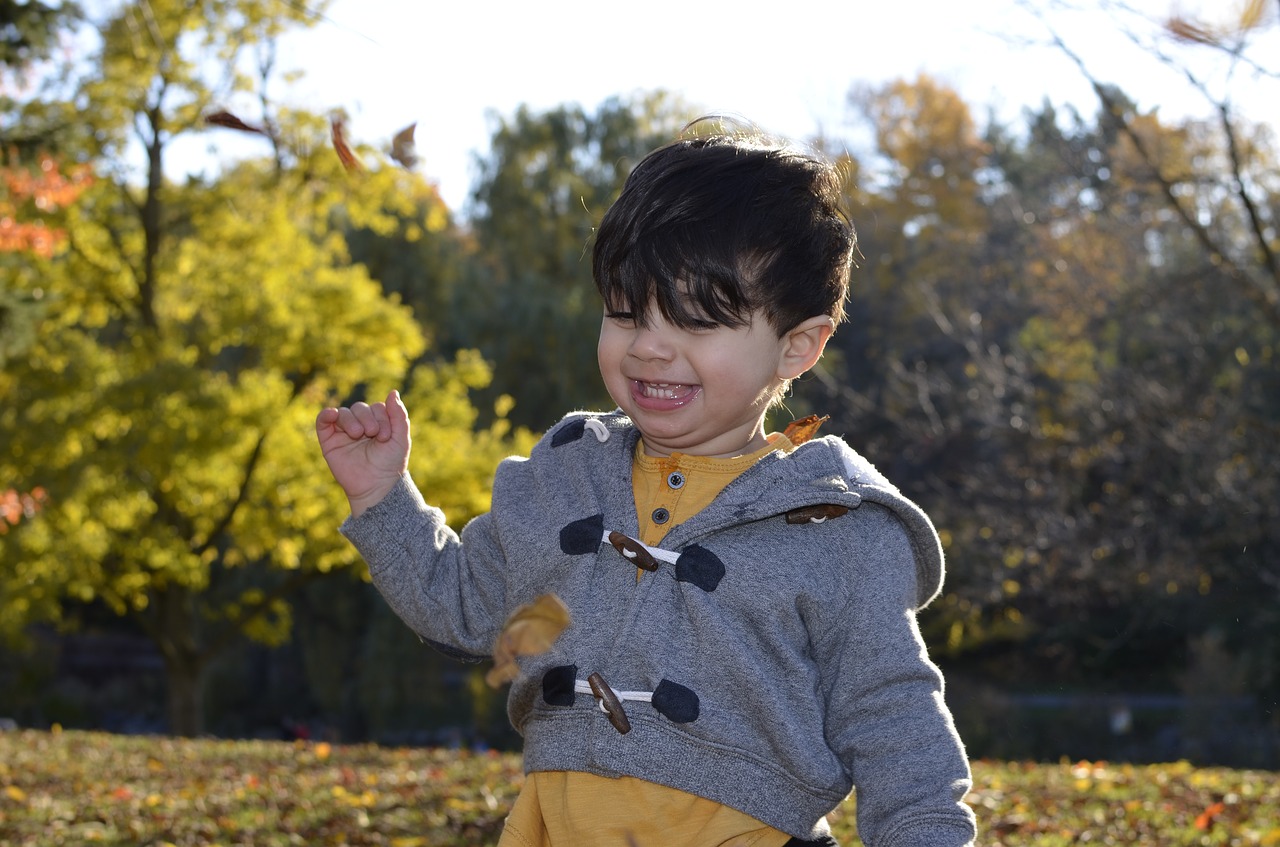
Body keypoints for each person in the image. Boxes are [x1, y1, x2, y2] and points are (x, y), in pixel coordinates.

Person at [316, 126, 977, 847]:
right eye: (626, 310)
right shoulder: (565, 479)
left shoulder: (834, 526)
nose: (651, 345)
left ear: (797, 344)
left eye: (698, 319)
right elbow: (462, 605)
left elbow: (896, 725)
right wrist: (383, 498)